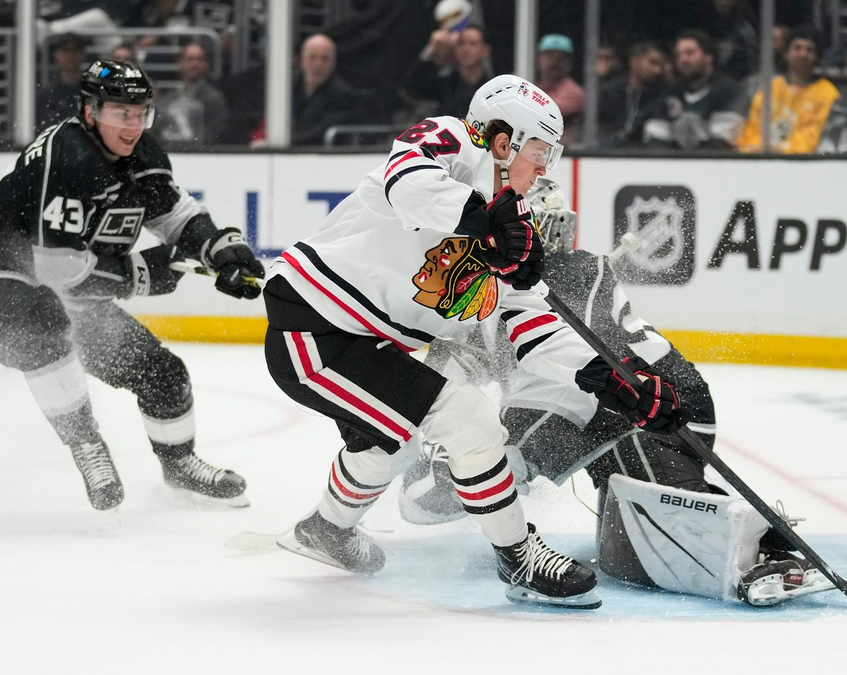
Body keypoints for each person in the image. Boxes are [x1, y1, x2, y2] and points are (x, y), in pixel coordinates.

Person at [261, 74, 686, 610]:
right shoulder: (457, 143)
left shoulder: (514, 224)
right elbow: (406, 177)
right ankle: (518, 557)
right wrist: (481, 220)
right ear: (504, 141)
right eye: (539, 153)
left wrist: (613, 382)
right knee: (468, 419)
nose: (543, 170)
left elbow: (530, 322)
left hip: (362, 342)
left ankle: (325, 531)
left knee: (391, 444)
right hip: (313, 323)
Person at [396, 176, 830, 607]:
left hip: (663, 403)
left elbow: (575, 376)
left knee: (516, 450)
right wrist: (436, 465)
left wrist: (503, 459)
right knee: (629, 541)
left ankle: (758, 547)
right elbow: (423, 480)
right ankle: (745, 530)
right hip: (619, 409)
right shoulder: (480, 301)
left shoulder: (561, 272)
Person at [0, 61, 266, 512]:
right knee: (46, 322)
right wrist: (143, 274)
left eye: (140, 113)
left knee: (163, 374)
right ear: (90, 112)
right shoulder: (68, 158)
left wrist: (222, 249)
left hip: (65, 298)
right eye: (120, 113)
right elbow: (57, 270)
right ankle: (87, 446)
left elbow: (176, 217)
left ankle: (180, 465)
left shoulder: (145, 155)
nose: (132, 126)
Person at [737, 28, 839, 154]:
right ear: (786, 54)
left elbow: (814, 138)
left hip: (800, 163)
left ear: (816, 57)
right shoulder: (771, 87)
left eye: (809, 50)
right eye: (797, 48)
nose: (803, 54)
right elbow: (751, 130)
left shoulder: (828, 93)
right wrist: (756, 148)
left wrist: (780, 149)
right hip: (762, 158)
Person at [643, 29, 747, 150]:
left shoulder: (729, 91)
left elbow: (723, 144)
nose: (683, 60)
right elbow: (655, 140)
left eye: (690, 53)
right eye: (679, 55)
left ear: (709, 57)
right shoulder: (671, 92)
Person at [404, 24, 492, 119]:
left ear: (485, 50)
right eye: (461, 43)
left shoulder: (492, 88)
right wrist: (432, 48)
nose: (466, 49)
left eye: (473, 44)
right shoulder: (446, 85)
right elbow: (413, 86)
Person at [157, 40, 229, 147]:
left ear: (206, 64)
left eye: (199, 60)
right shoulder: (169, 98)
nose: (194, 64)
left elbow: (215, 133)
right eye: (190, 59)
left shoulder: (214, 98)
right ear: (180, 62)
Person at [597, 41, 668, 148]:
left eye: (660, 65)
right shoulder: (609, 92)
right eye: (653, 63)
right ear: (634, 62)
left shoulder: (661, 96)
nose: (657, 70)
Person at [535, 34, 585, 144]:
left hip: (562, 154)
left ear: (569, 63)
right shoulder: (535, 87)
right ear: (538, 60)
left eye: (561, 57)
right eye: (549, 55)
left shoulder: (574, 92)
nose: (555, 62)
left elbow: (544, 114)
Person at [37, 33, 89, 131]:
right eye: (66, 51)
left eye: (75, 51)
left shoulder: (91, 92)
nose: (71, 56)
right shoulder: (46, 95)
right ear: (56, 55)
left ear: (83, 54)